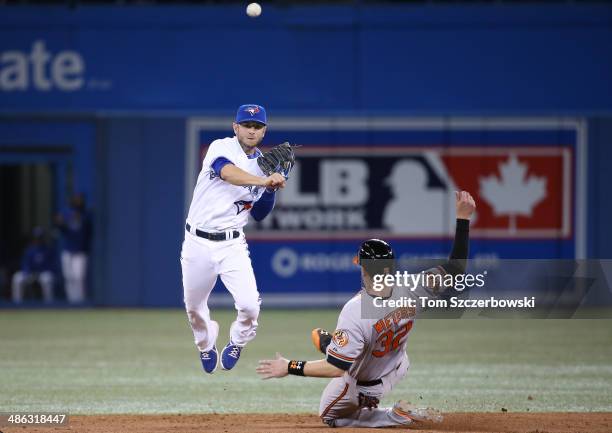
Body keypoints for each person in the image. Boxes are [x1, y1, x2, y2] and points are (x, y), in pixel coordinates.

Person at [257, 191, 476, 428]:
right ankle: (340, 352)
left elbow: (335, 368)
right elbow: (456, 268)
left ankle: (393, 415)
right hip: (398, 367)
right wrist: (463, 219)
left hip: (364, 386)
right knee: (347, 354)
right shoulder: (415, 286)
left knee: (329, 416)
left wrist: (289, 367)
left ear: (364, 270)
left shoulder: (355, 311)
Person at [181, 104, 287, 373]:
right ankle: (206, 344)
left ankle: (237, 341)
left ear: (264, 131)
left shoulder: (265, 166)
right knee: (194, 308)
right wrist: (264, 181)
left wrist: (272, 187)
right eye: (247, 125)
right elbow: (227, 173)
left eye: (257, 126)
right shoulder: (221, 147)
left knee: (250, 306)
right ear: (235, 127)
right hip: (197, 241)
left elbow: (261, 214)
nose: (252, 131)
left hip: (232, 244)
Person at [55, 193, 92, 303]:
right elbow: (62, 228)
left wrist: (80, 217)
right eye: (76, 199)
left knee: (79, 277)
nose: (78, 201)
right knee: (68, 277)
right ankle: (72, 301)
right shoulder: (66, 213)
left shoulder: (86, 215)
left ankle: (80, 301)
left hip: (81, 251)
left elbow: (89, 230)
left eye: (80, 200)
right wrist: (60, 223)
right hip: (68, 250)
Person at [11, 227, 56, 303]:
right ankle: (17, 303)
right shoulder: (29, 250)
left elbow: (51, 265)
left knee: (47, 279)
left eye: (40, 237)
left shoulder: (47, 249)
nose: (38, 239)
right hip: (30, 274)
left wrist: (40, 273)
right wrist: (27, 272)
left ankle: (49, 303)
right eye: (36, 237)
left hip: (42, 274)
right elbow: (25, 263)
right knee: (17, 278)